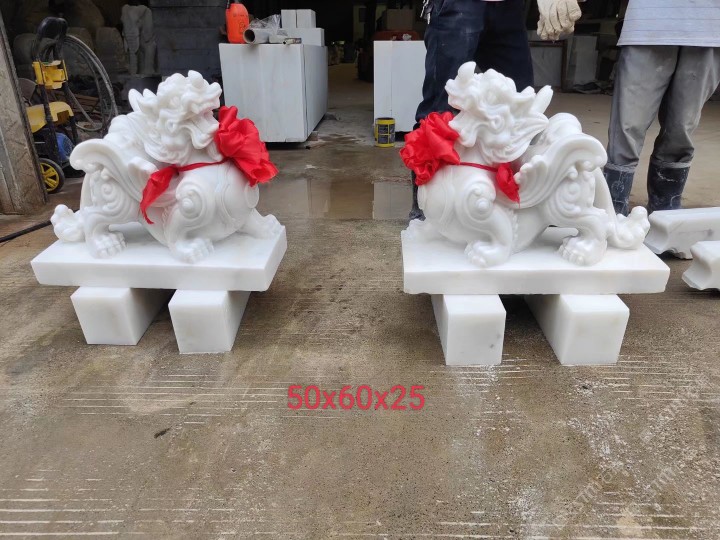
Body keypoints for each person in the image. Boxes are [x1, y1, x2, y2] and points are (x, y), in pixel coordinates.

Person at [410, 0, 582, 220]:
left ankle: (515, 196)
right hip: (457, 5)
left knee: (521, 104)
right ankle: (428, 204)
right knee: (442, 107)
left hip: (507, 7)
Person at [604, 0, 720, 216]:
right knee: (628, 127)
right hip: (650, 20)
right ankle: (612, 210)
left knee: (681, 129)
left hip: (710, 24)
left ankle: (665, 212)